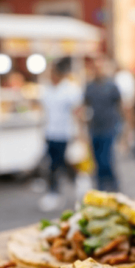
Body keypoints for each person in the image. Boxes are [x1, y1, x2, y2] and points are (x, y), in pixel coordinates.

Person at [39, 59, 83, 211]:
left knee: (62, 162)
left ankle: (76, 181)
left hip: (66, 133)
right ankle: (56, 191)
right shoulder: (47, 90)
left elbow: (78, 112)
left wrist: (79, 133)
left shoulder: (70, 89)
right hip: (51, 132)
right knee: (54, 163)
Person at [84, 59, 124, 192]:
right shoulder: (89, 86)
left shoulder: (112, 86)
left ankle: (113, 185)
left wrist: (123, 127)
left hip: (109, 127)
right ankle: (101, 188)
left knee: (106, 159)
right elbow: (85, 105)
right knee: (97, 161)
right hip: (94, 128)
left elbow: (120, 105)